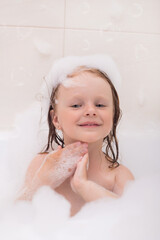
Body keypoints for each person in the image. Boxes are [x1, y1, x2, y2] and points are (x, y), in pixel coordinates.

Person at [18, 54, 134, 216]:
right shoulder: (41, 165)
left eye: (100, 104)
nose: (91, 111)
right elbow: (15, 214)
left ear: (113, 116)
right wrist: (42, 182)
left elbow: (135, 223)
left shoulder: (118, 177)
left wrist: (84, 187)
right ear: (56, 119)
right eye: (76, 105)